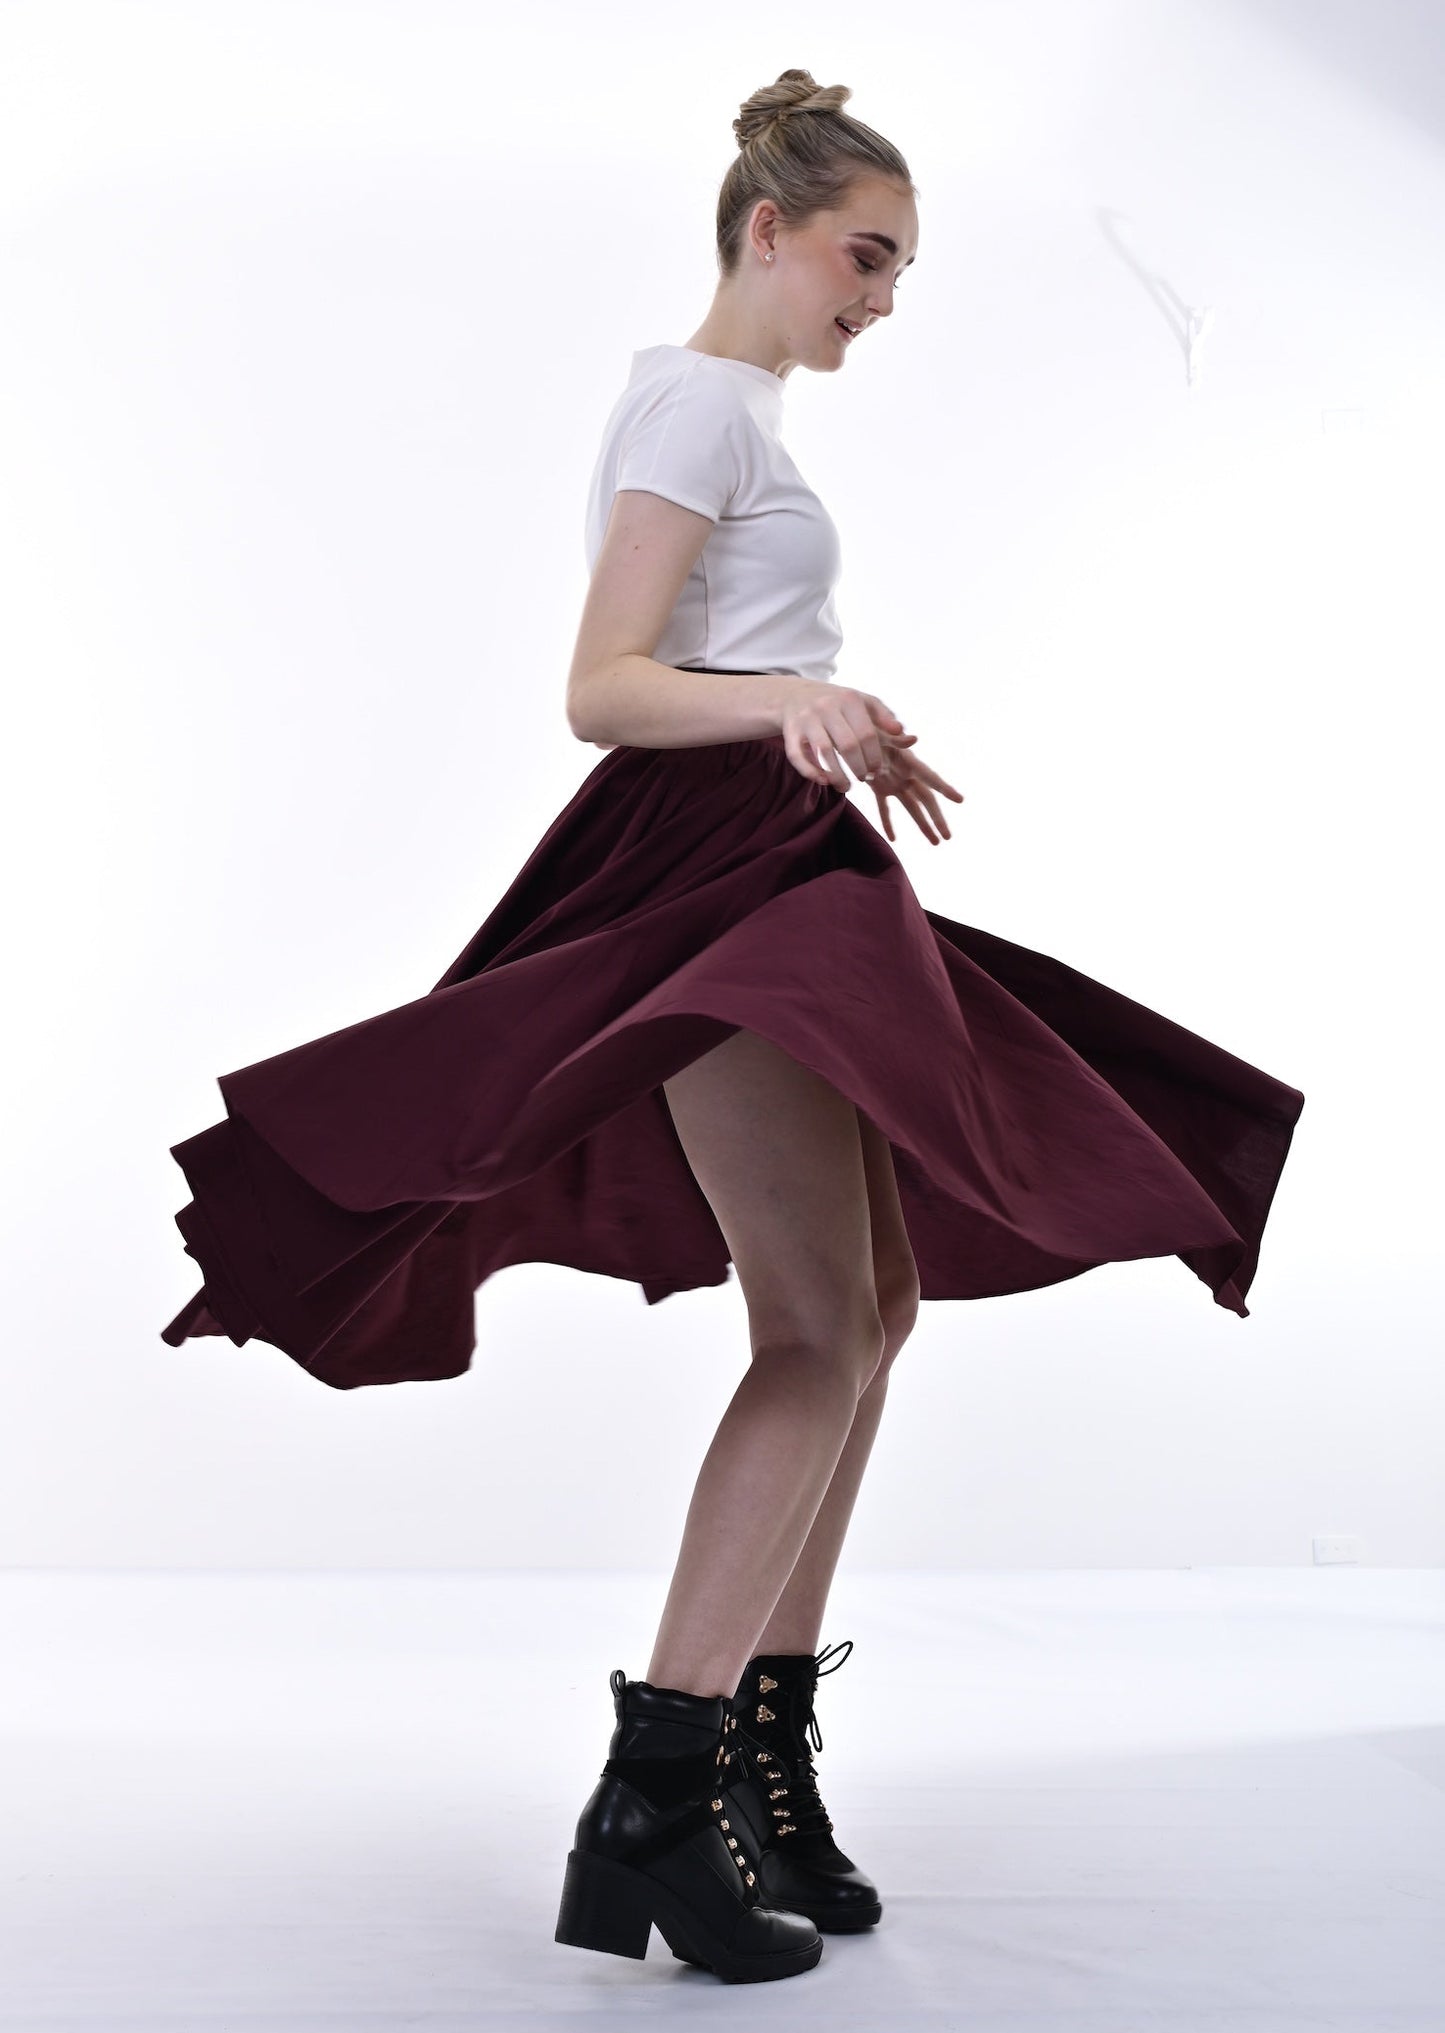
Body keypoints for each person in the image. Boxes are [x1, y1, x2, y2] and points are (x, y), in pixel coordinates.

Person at [159, 68, 1305, 1987]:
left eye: (902, 269)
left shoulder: (739, 412)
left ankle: (753, 1757)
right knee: (818, 1324)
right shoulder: (695, 400)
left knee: (876, 1303)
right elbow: (603, 687)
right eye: (865, 256)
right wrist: (793, 707)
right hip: (719, 863)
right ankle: (659, 1791)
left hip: (776, 845)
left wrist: (828, 716)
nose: (884, 297)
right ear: (766, 231)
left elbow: (716, 659)